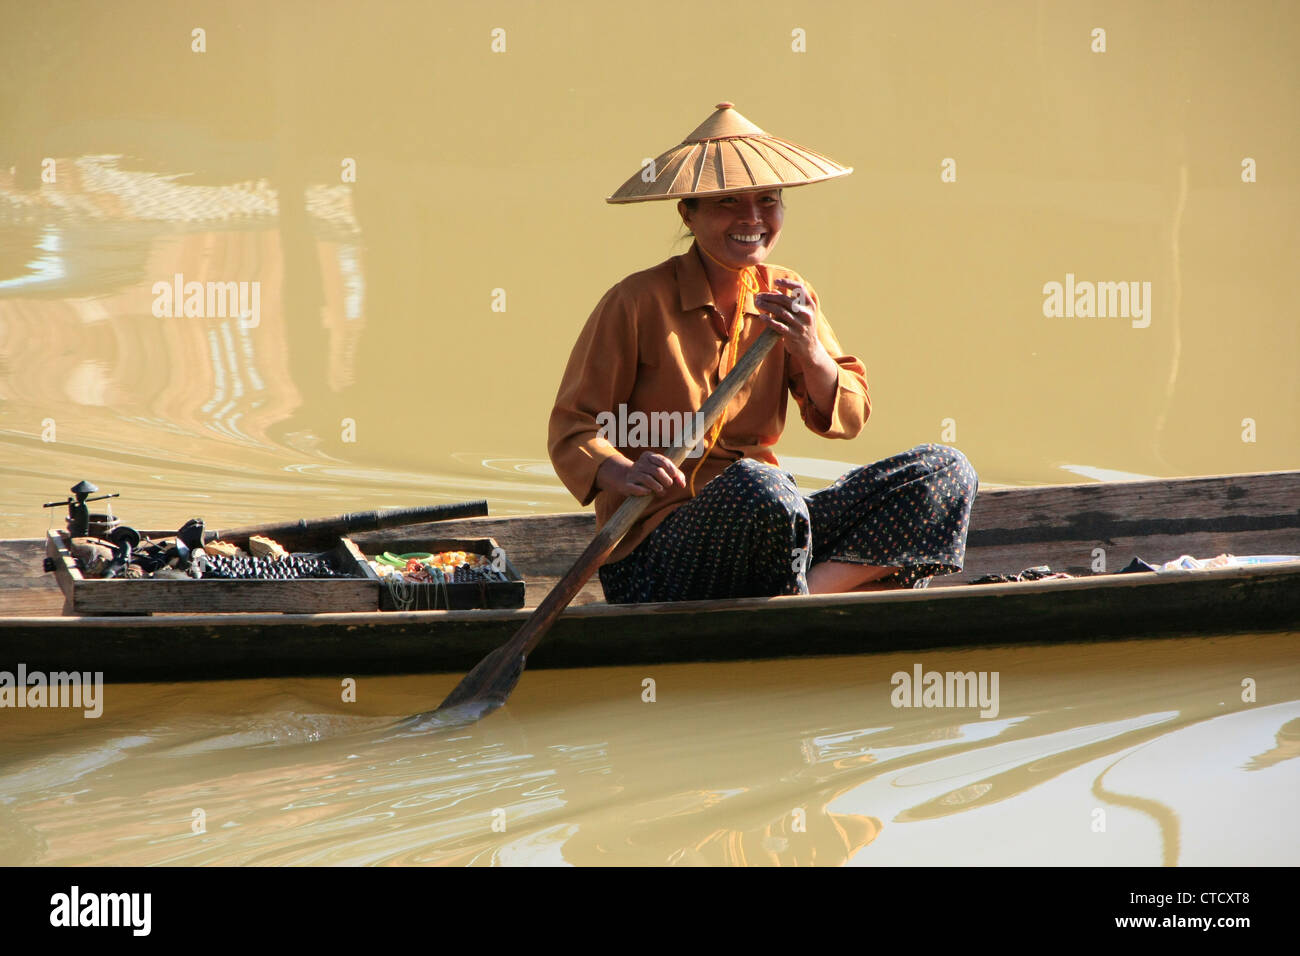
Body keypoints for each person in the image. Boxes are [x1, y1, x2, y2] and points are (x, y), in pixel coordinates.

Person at [549, 103, 977, 604]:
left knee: (945, 471)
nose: (751, 219)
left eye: (767, 201)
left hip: (771, 528)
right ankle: (805, 592)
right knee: (760, 487)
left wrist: (809, 348)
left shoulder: (788, 294)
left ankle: (802, 596)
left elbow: (849, 415)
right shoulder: (637, 302)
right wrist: (623, 470)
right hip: (656, 553)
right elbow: (573, 428)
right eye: (728, 201)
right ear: (688, 211)